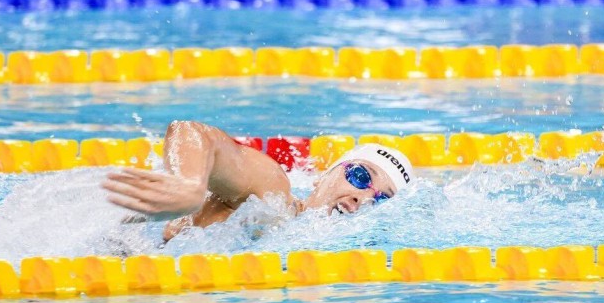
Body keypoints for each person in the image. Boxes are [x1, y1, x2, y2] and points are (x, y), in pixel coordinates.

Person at [102, 120, 413, 241]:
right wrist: (189, 187)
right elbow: (189, 132)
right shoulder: (272, 193)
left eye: (382, 199)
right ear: (324, 175)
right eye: (359, 176)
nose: (365, 197)